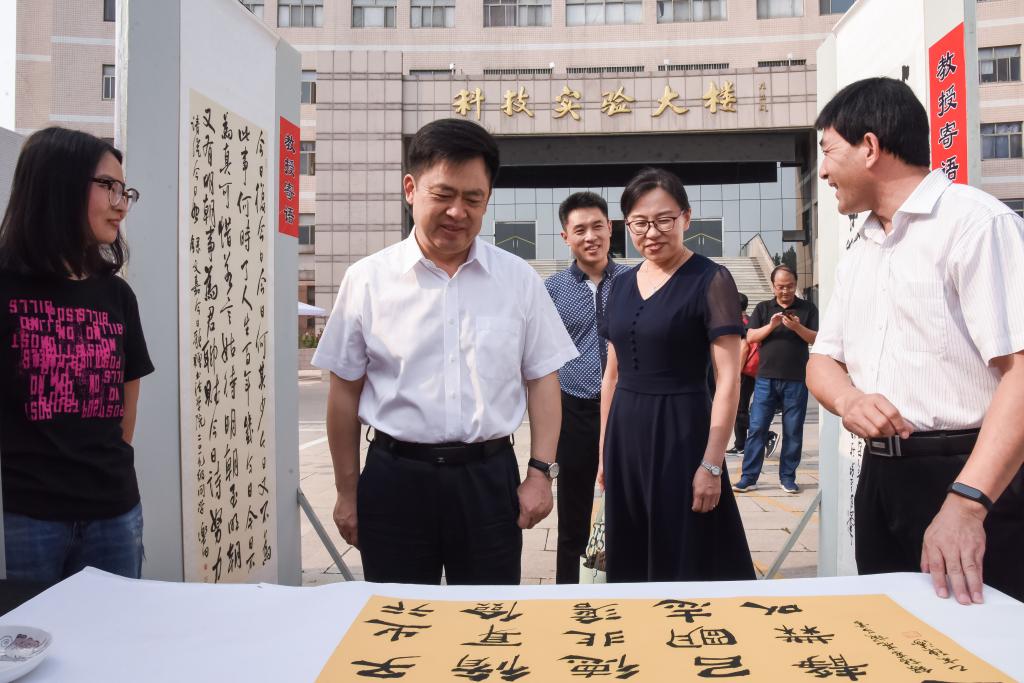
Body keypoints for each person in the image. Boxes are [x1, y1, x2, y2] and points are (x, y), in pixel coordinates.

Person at [312, 118, 578, 585]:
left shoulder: (518, 280)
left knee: (488, 617)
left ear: (487, 200)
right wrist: (347, 491)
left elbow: (542, 379)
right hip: (394, 481)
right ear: (410, 189)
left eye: (473, 199)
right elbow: (344, 391)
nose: (458, 211)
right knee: (397, 617)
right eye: (444, 194)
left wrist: (540, 473)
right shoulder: (368, 279)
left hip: (487, 482)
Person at [808, 76, 1024, 604]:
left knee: (978, 638)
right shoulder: (862, 247)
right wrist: (850, 400)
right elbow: (823, 361)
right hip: (882, 478)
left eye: (828, 151)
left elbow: (1020, 372)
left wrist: (967, 503)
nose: (823, 171)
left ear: (870, 147)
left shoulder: (974, 224)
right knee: (893, 633)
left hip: (970, 477)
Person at [0, 127, 153, 582]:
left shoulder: (117, 295)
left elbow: (127, 402)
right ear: (58, 184)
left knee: (117, 625)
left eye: (125, 190)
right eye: (108, 186)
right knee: (33, 627)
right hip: (28, 517)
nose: (121, 204)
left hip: (115, 511)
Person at [598, 167, 754, 582]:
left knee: (683, 550)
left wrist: (712, 465)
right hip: (625, 435)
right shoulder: (620, 284)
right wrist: (604, 451)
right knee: (630, 552)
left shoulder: (711, 279)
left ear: (686, 217)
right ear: (626, 225)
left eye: (664, 220)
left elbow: (729, 379)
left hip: (682, 432)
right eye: (640, 223)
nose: (652, 232)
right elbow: (611, 376)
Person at [545, 191, 629, 584]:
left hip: (629, 409)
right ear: (566, 236)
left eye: (598, 226)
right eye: (580, 230)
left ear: (610, 229)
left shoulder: (635, 281)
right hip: (575, 411)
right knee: (574, 513)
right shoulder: (553, 289)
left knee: (633, 505)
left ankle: (632, 586)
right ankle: (568, 593)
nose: (590, 236)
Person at [733, 264, 818, 494]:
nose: (785, 291)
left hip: (796, 379)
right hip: (765, 379)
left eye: (789, 286)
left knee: (793, 430)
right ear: (773, 286)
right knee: (757, 427)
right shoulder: (763, 308)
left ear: (795, 284)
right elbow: (751, 336)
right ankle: (748, 477)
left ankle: (788, 477)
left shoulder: (808, 308)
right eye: (780, 287)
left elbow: (816, 338)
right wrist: (771, 325)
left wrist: (797, 327)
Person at [726, 293, 778, 458]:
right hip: (752, 369)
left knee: (738, 411)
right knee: (739, 409)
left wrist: (737, 372)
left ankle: (768, 435)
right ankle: (740, 445)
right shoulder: (749, 320)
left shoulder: (739, 322)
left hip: (743, 371)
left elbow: (744, 348)